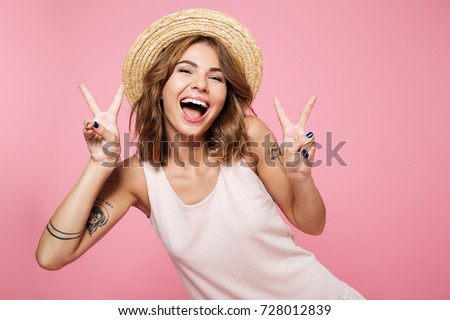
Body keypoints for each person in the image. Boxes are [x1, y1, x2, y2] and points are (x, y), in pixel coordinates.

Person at [36, 9, 364, 299]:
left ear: (224, 96)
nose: (201, 84)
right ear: (161, 88)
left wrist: (301, 177)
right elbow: (51, 256)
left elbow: (312, 224)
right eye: (185, 70)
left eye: (216, 77)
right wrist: (98, 165)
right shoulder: (136, 177)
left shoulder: (248, 136)